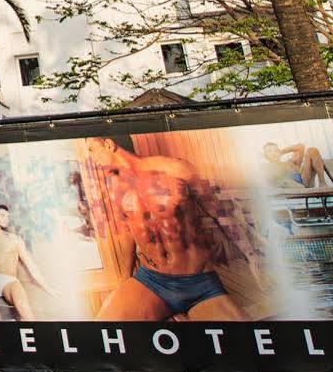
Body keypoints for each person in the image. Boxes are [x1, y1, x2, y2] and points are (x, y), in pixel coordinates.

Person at [83, 138, 246, 321]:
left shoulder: (175, 169)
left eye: (92, 149)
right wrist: (126, 279)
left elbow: (218, 212)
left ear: (108, 144)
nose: (91, 157)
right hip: (152, 281)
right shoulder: (115, 187)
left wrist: (250, 253)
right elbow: (129, 231)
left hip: (198, 283)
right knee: (101, 332)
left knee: (243, 342)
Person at [261, 141, 333, 188]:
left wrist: (282, 151)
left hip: (305, 180)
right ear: (265, 155)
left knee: (312, 150)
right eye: (270, 151)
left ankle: (322, 183)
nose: (273, 152)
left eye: (275, 150)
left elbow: (301, 146)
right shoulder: (266, 168)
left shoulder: (289, 163)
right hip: (295, 186)